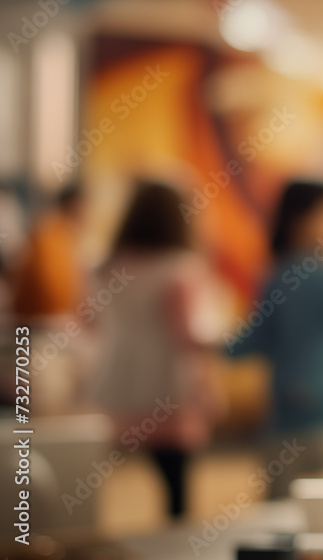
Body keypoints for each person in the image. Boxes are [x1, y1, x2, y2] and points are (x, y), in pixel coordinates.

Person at [226, 178, 323, 498]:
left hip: (289, 422)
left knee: (283, 516)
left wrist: (217, 345)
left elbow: (252, 340)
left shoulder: (278, 276)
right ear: (299, 218)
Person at [90, 179, 227, 521]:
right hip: (167, 387)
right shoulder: (180, 269)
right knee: (175, 489)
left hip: (115, 381)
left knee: (99, 488)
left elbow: (89, 322)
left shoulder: (106, 267)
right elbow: (190, 337)